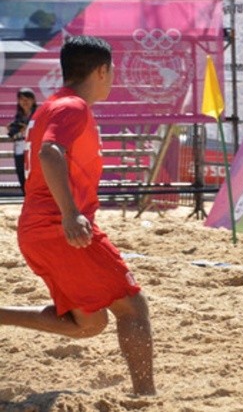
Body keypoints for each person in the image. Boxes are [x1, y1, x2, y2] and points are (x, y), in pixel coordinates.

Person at [0, 36, 156, 395]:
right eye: (112, 69)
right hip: (59, 228)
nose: (114, 75)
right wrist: (71, 214)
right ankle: (146, 396)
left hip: (39, 230)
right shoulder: (73, 107)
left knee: (87, 324)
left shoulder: (53, 105)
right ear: (102, 70)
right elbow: (50, 153)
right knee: (132, 306)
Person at [8, 88, 37, 194]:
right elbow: (12, 135)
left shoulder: (38, 115)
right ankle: (26, 197)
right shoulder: (17, 118)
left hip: (34, 150)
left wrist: (28, 128)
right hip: (20, 149)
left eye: (27, 99)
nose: (25, 102)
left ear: (33, 100)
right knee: (21, 175)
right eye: (22, 99)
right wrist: (13, 131)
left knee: (35, 175)